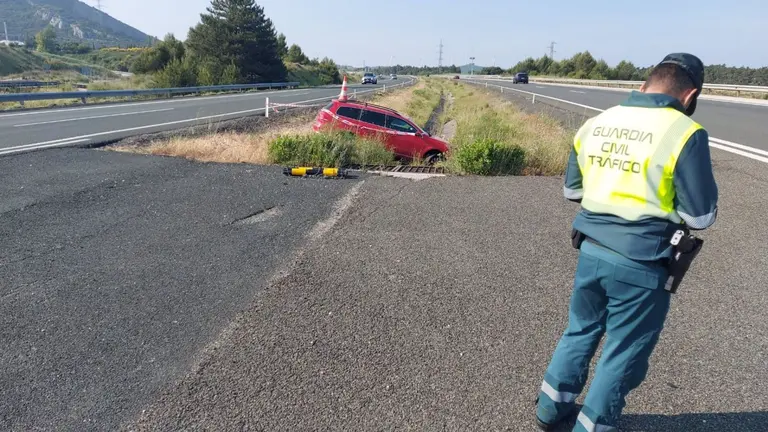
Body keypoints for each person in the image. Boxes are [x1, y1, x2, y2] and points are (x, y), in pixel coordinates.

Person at [534, 53, 719, 432]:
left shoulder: (596, 124)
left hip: (591, 250)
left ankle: (550, 411)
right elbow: (701, 216)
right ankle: (594, 425)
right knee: (623, 351)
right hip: (643, 262)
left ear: (642, 86)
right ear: (690, 96)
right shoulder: (684, 132)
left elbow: (572, 190)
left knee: (580, 330)